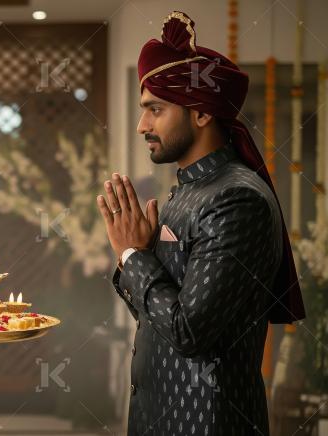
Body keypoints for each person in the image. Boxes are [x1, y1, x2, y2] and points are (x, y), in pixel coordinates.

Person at [96, 11, 305, 435]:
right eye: (143, 110)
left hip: (207, 423)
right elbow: (154, 315)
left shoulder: (236, 198)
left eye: (155, 109)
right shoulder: (189, 190)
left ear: (202, 113)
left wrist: (133, 254)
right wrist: (132, 258)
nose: (142, 125)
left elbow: (190, 332)